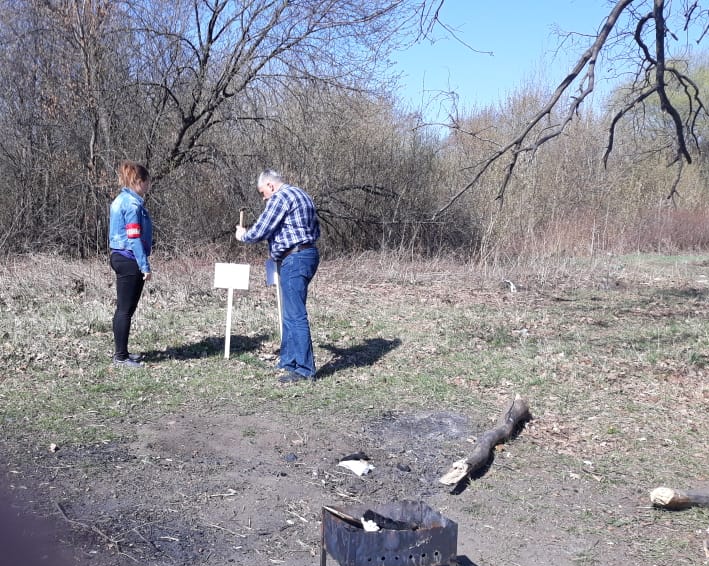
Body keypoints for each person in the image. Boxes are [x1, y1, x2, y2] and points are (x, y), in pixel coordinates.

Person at [235, 169, 320, 383]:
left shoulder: (280, 197)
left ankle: (304, 369)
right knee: (290, 312)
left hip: (295, 258)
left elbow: (262, 228)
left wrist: (243, 235)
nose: (263, 197)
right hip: (307, 254)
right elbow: (315, 229)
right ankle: (288, 360)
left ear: (271, 186)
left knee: (295, 314)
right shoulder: (302, 194)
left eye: (262, 192)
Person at [108, 160, 153, 368]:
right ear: (139, 181)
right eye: (146, 182)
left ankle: (122, 352)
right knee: (125, 309)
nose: (148, 186)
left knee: (124, 308)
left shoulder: (120, 200)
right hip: (129, 258)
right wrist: (144, 265)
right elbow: (134, 237)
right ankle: (121, 357)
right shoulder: (132, 205)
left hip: (119, 255)